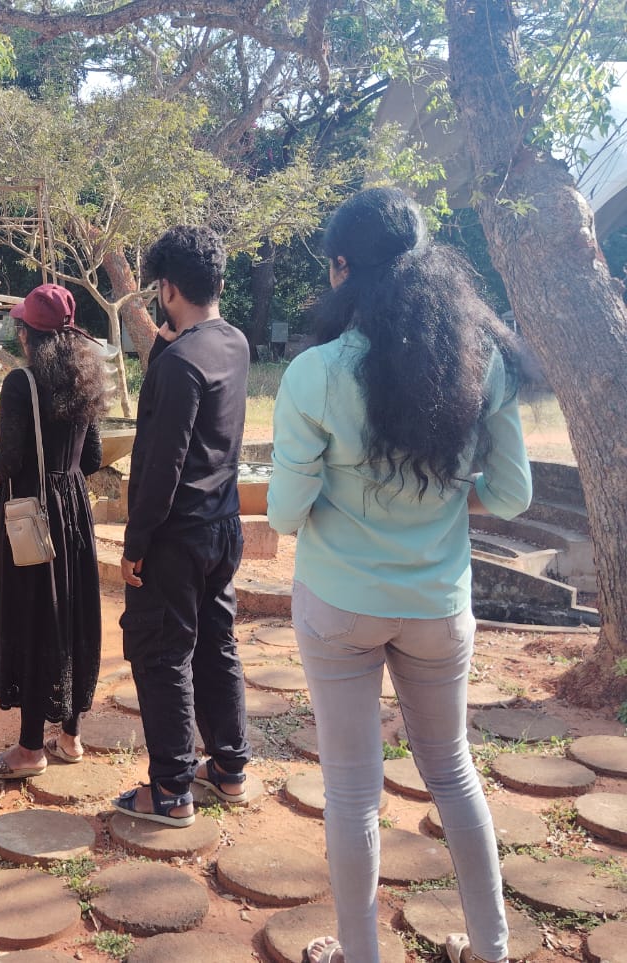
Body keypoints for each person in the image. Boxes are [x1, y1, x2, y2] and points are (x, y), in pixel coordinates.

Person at [266, 187, 534, 963]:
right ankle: (491, 949)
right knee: (452, 770)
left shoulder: (314, 374)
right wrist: (448, 496)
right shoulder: (481, 364)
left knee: (353, 792)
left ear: (342, 268)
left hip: (339, 609)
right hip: (439, 609)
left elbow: (285, 513)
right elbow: (512, 494)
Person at [114, 225, 250, 827]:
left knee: (162, 653)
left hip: (175, 536)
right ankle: (229, 767)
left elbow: (161, 464)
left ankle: (170, 790)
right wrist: (164, 353)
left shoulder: (178, 364)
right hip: (223, 526)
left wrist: (135, 543)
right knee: (216, 644)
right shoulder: (234, 343)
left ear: (168, 288)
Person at [0, 283, 107, 779]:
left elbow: (10, 462)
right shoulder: (85, 380)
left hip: (32, 514)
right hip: (73, 511)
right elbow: (91, 458)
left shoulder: (20, 383)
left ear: (28, 334)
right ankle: (70, 737)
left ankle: (30, 751)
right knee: (69, 614)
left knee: (31, 617)